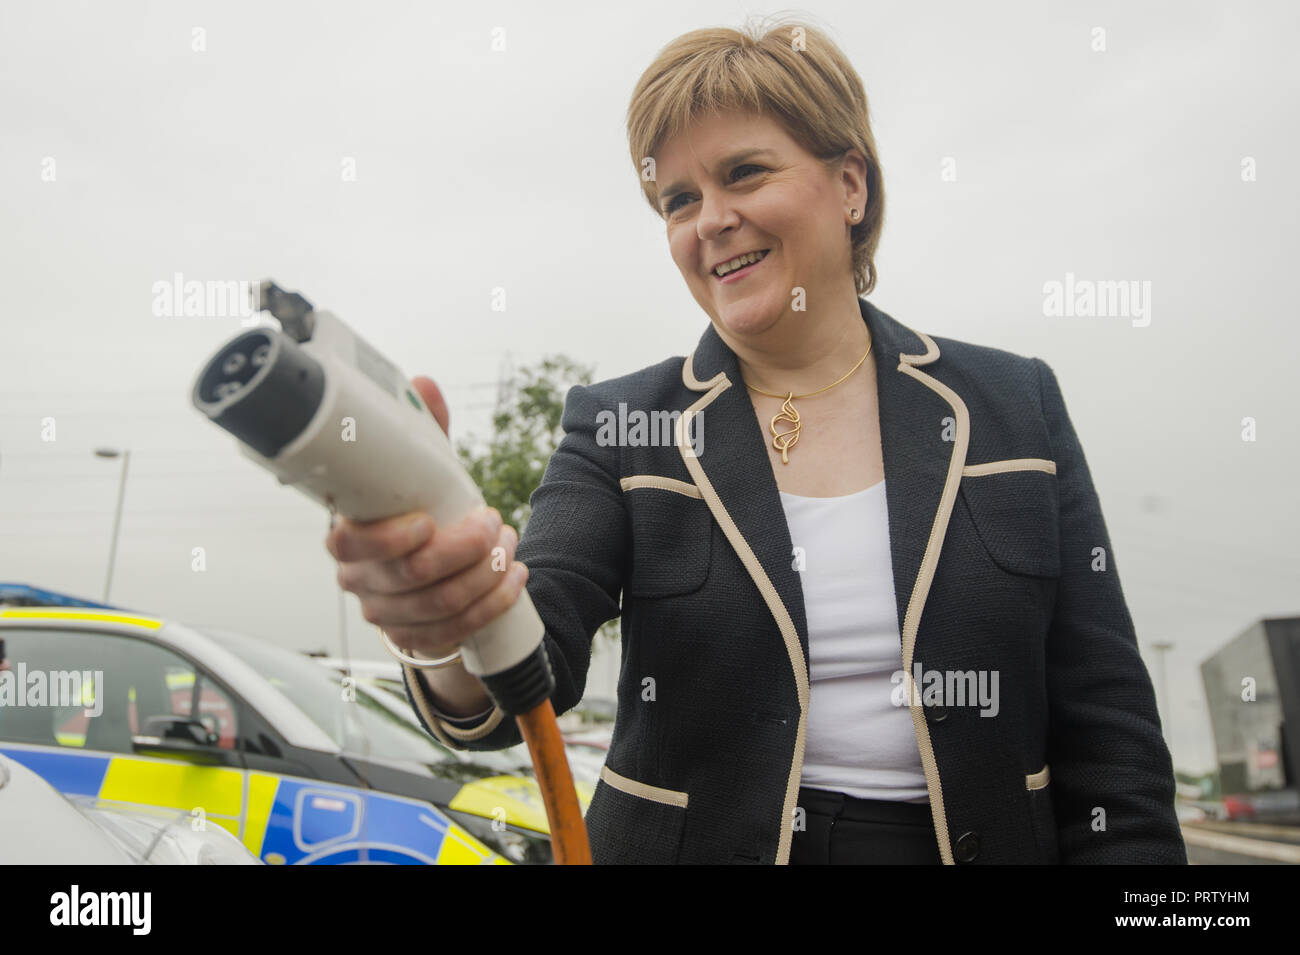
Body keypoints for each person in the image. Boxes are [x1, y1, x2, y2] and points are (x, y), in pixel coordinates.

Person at [325, 18, 1186, 865]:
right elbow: (531, 663)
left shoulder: (1014, 403)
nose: (711, 220)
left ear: (851, 183)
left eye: (744, 173)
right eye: (679, 200)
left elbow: (1109, 728)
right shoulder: (621, 424)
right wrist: (446, 624)